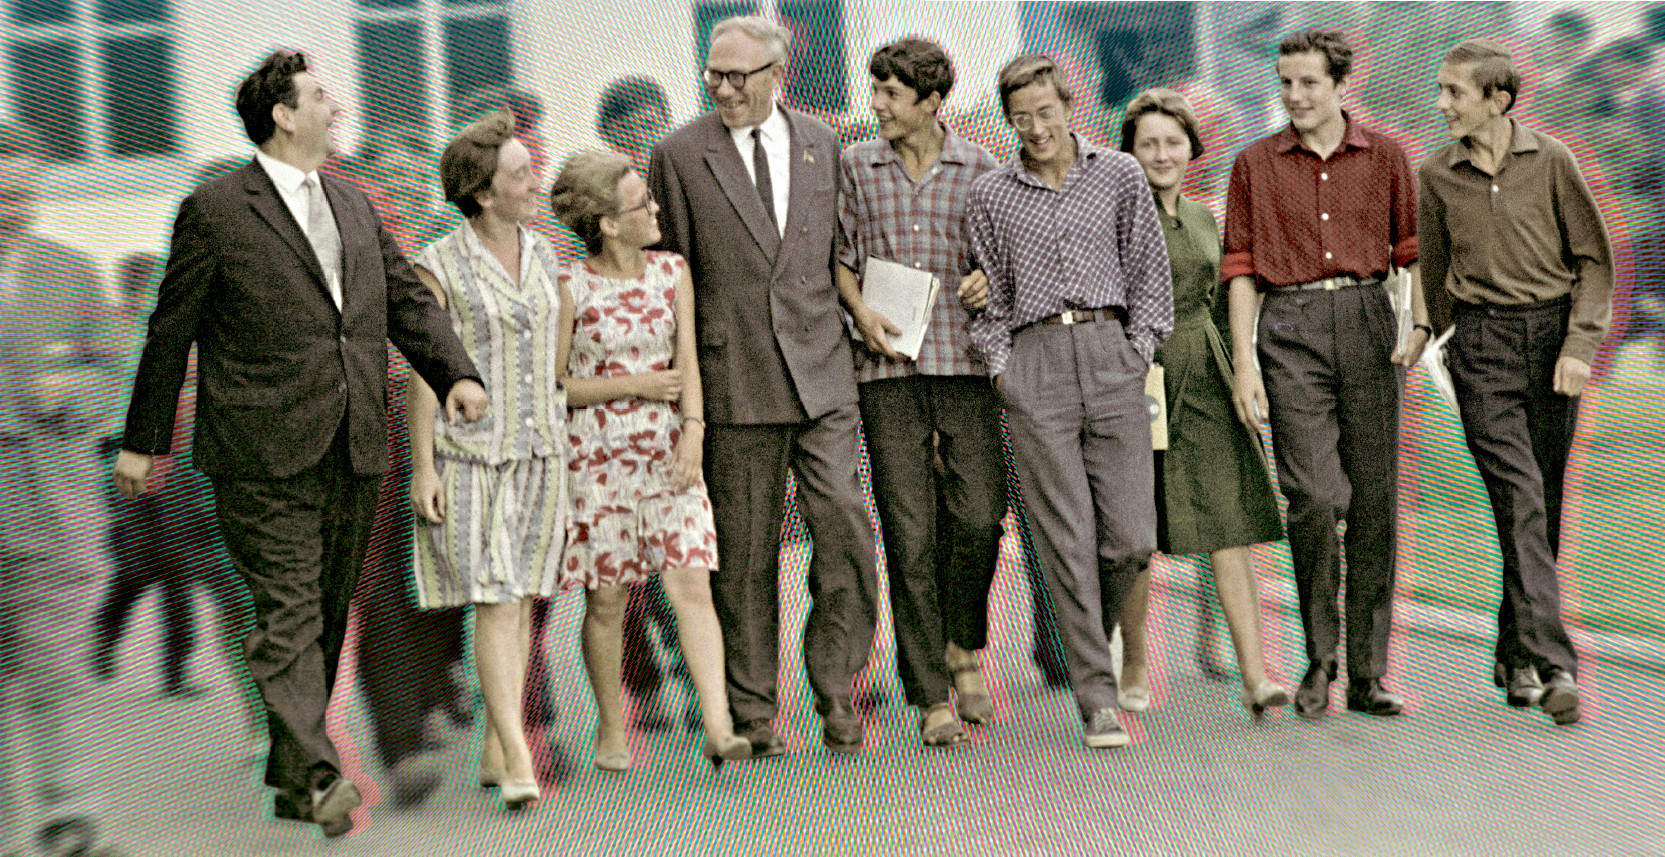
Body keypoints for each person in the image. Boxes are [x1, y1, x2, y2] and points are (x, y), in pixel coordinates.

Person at [114, 51, 487, 837]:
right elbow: (170, 330)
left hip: (358, 442)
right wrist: (144, 440)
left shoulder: (353, 204)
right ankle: (320, 773)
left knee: (362, 600)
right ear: (283, 116)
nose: (337, 107)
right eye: (320, 96)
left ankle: (378, 752)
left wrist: (453, 370)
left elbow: (405, 300)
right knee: (289, 610)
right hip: (260, 455)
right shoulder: (215, 211)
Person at [648, 15, 880, 756]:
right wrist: (684, 399)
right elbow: (669, 280)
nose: (722, 89)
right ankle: (753, 710)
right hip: (733, 380)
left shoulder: (821, 143)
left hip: (821, 374)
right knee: (745, 556)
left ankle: (836, 687)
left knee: (843, 527)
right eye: (713, 75)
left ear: (778, 74)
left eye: (737, 76)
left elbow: (842, 251)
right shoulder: (677, 155)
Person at [965, 54, 1174, 749]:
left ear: (1068, 106)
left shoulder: (1118, 174)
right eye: (1020, 118)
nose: (1035, 128)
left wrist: (1137, 348)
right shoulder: (991, 195)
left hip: (1112, 354)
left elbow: (1149, 272)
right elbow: (988, 297)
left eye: (1045, 113)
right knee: (1065, 540)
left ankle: (1082, 639)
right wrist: (1004, 371)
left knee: (1130, 540)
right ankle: (1097, 697)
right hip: (1036, 363)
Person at [1222, 30, 1427, 721]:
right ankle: (1319, 658)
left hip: (1369, 324)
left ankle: (1367, 673)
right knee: (1311, 495)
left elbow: (1411, 252)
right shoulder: (1253, 164)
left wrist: (1418, 323)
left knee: (1373, 502)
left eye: (1308, 82)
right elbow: (1241, 268)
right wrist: (1245, 362)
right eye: (1285, 82)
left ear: (1342, 85)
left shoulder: (1387, 156)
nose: (1294, 95)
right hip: (1289, 328)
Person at [1419, 39, 1615, 726]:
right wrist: (1432, 342)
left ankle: (1513, 651)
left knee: (1541, 507)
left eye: (1454, 92)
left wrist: (1579, 345)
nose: (1441, 104)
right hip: (1480, 349)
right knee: (1520, 495)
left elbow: (1593, 261)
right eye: (1440, 90)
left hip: (1553, 343)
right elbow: (1432, 274)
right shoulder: (1435, 175)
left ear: (1497, 100)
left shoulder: (1553, 161)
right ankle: (1556, 664)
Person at [550, 150, 753, 769]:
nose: (657, 208)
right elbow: (554, 388)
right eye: (643, 203)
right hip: (597, 461)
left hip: (668, 452)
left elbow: (687, 361)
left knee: (691, 580)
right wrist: (634, 384)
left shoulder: (671, 271)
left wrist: (693, 431)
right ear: (609, 224)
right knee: (607, 599)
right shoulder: (570, 286)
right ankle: (612, 728)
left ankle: (719, 724)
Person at [836, 38, 1004, 746]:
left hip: (964, 362)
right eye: (874, 90)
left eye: (891, 94)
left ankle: (963, 643)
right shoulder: (855, 166)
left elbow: (1002, 259)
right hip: (886, 368)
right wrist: (860, 312)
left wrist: (988, 280)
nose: (877, 105)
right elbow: (841, 260)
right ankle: (930, 693)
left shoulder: (981, 167)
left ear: (932, 103)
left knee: (979, 516)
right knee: (908, 530)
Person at [1110, 88, 1289, 718]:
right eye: (1148, 144)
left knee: (1227, 524)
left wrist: (1241, 372)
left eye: (1173, 142)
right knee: (1138, 529)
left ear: (1191, 149)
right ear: (1129, 151)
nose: (1162, 155)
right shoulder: (1114, 215)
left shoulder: (1205, 217)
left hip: (1206, 375)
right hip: (1140, 377)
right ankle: (1134, 663)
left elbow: (1221, 304)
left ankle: (1255, 677)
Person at [403, 110, 563, 811]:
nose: (535, 182)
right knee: (495, 599)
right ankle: (518, 752)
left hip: (541, 449)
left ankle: (498, 746)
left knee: (520, 600)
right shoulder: (438, 264)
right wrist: (424, 466)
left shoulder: (545, 252)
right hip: (471, 456)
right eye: (520, 174)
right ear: (483, 192)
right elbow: (423, 367)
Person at [0, 127, 128, 857]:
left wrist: (73, 390)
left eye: (24, 193)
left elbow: (115, 375)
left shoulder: (73, 272)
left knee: (57, 663)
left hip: (53, 499)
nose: (13, 208)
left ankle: (69, 815)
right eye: (1, 195)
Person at [594, 74, 695, 733]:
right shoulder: (596, 201)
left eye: (655, 122)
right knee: (622, 562)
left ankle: (692, 676)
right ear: (610, 136)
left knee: (678, 550)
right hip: (613, 402)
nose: (647, 137)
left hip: (676, 388)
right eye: (633, 128)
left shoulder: (678, 187)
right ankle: (645, 683)